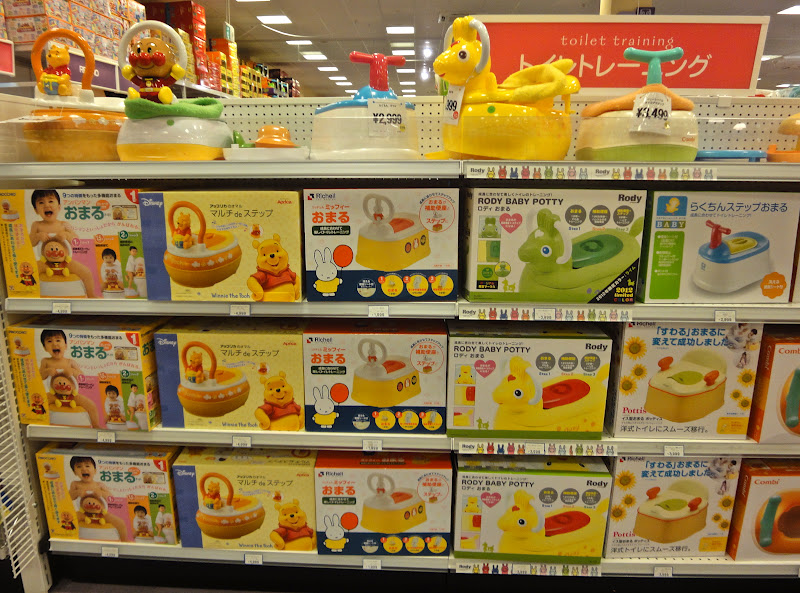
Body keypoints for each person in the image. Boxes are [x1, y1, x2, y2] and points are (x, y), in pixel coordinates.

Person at [28, 189, 95, 297]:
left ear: (59, 207)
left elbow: (76, 241)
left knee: (86, 272)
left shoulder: (64, 224)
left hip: (66, 261)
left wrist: (66, 235)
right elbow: (30, 243)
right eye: (41, 202)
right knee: (29, 271)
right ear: (36, 210)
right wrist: (38, 236)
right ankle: (28, 295)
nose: (46, 205)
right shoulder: (36, 225)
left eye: (51, 201)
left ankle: (91, 295)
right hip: (44, 262)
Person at [38, 329, 100, 427]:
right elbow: (39, 376)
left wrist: (72, 371)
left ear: (66, 345)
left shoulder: (70, 362)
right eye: (49, 341)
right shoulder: (45, 361)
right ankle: (39, 422)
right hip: (54, 394)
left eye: (58, 340)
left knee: (91, 405)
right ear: (45, 347)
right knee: (40, 401)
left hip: (72, 394)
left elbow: (82, 377)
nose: (54, 344)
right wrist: (47, 371)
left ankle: (96, 425)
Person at [68, 456, 127, 540]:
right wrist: (77, 492)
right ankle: (68, 538)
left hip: (101, 513)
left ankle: (125, 540)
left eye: (87, 466)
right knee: (70, 519)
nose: (84, 469)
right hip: (83, 513)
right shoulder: (75, 484)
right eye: (79, 466)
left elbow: (111, 498)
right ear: (74, 472)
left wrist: (101, 493)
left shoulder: (99, 485)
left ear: (95, 471)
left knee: (120, 522)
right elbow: (69, 497)